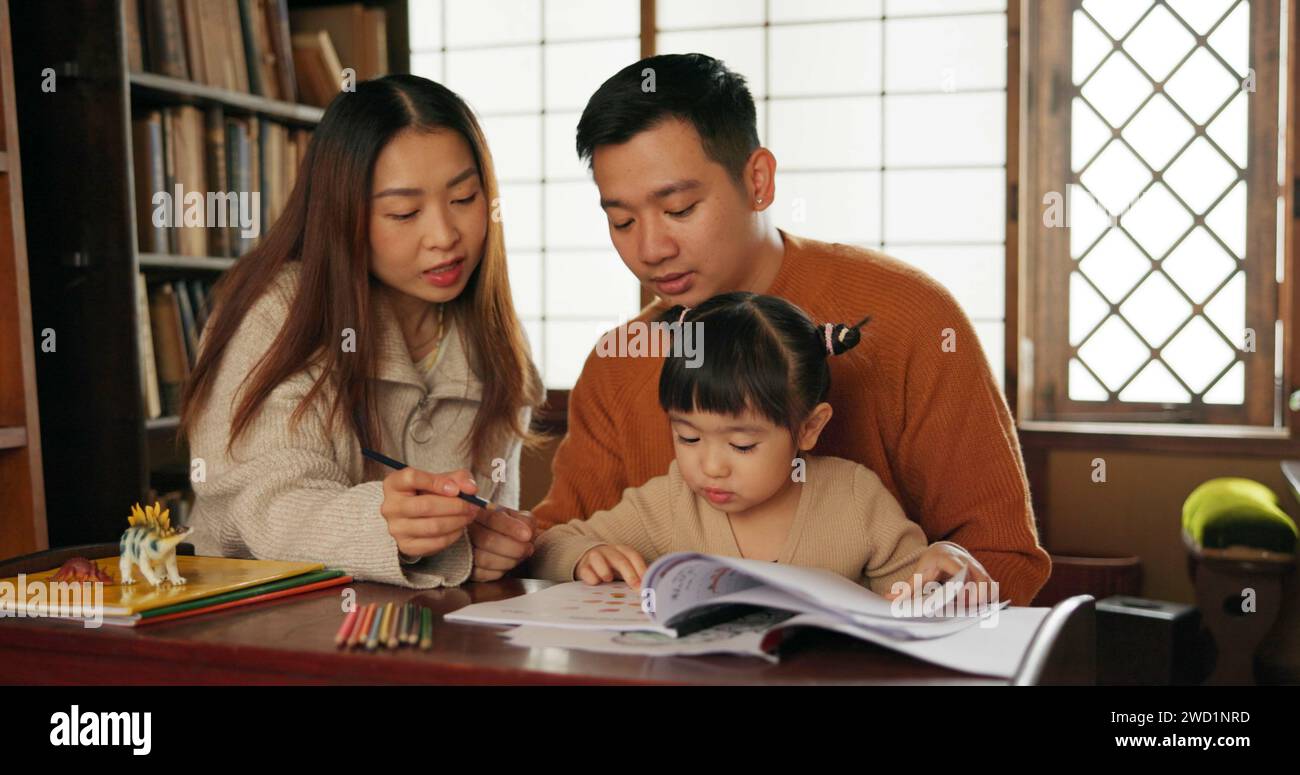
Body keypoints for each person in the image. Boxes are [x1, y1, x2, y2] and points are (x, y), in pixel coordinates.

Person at [495, 53, 1049, 605]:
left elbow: (1001, 555)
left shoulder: (909, 316)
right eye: (621, 220)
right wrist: (496, 540)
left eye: (681, 208)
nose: (650, 249)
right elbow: (556, 544)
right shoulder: (620, 362)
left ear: (757, 180)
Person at [181, 75, 543, 588]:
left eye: (463, 198)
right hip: (258, 629)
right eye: (404, 212)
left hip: (426, 636)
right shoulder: (278, 312)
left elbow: (482, 527)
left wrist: (494, 543)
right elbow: (263, 506)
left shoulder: (497, 339)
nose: (444, 236)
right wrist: (387, 524)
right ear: (343, 214)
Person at [532, 293, 986, 605]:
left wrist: (941, 569)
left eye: (742, 444)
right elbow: (551, 545)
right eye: (687, 437)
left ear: (809, 428)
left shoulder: (855, 499)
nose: (710, 466)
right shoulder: (672, 503)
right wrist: (584, 558)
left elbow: (916, 592)